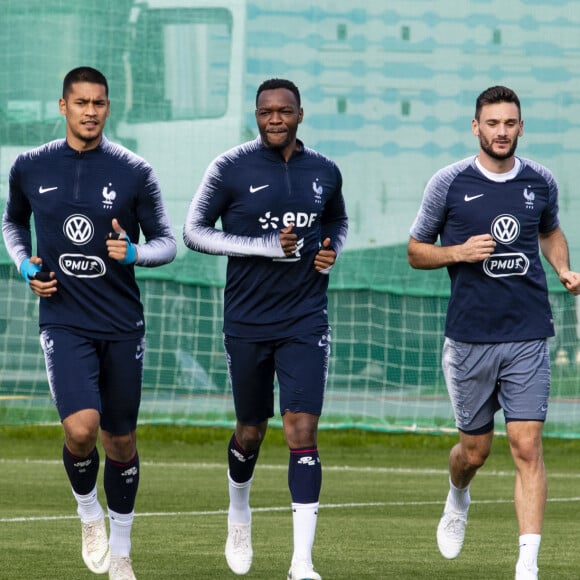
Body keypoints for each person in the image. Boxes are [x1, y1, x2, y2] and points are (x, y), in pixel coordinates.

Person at [2, 66, 177, 580]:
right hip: (64, 319)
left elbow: (167, 242)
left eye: (99, 102)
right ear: (63, 106)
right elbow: (13, 222)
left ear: (108, 107)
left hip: (122, 323)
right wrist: (25, 263)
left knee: (120, 442)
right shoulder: (30, 166)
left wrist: (135, 253)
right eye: (80, 102)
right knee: (81, 430)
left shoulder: (134, 171)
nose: (90, 111)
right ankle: (87, 512)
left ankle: (121, 551)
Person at [407, 85, 580, 580]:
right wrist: (456, 252)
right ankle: (458, 494)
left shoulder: (540, 181)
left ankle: (528, 566)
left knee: (527, 447)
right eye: (492, 123)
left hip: (527, 333)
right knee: (475, 452)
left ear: (521, 126)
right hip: (468, 340)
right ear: (475, 127)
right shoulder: (448, 183)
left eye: (510, 123)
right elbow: (417, 250)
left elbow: (549, 230)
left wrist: (564, 267)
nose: (501, 132)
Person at [183, 78, 348, 579]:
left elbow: (337, 222)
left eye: (284, 111)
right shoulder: (229, 167)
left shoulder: (325, 170)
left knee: (301, 429)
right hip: (247, 321)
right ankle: (239, 511)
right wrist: (265, 246)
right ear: (256, 116)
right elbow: (194, 231)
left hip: (304, 318)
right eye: (265, 112)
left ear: (301, 114)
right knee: (251, 431)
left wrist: (331, 250)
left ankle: (302, 563)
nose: (274, 119)